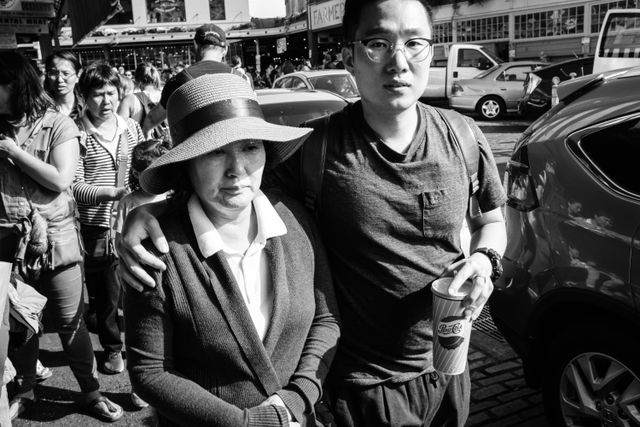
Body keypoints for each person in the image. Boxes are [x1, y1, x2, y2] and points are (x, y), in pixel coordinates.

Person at [118, 0, 507, 425]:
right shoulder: (313, 151)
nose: (399, 61)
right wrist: (149, 217)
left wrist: (486, 261)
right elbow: (228, 188)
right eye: (378, 43)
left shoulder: (464, 134)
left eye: (415, 43)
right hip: (366, 386)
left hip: (450, 361)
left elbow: (491, 220)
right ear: (349, 57)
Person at [124, 72, 340, 426]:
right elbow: (150, 371)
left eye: (250, 147)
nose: (236, 170)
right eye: (215, 152)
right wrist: (245, 423)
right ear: (185, 164)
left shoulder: (294, 221)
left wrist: (297, 398)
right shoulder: (156, 249)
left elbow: (326, 318)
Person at [0, 51, 123, 423]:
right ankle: (25, 386)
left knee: (71, 322)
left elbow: (60, 179)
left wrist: (12, 152)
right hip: (6, 242)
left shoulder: (57, 125)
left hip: (55, 239)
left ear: (15, 86)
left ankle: (90, 391)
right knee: (19, 324)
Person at [72, 63, 144, 380]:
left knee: (139, 290)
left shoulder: (131, 128)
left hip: (132, 221)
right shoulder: (75, 134)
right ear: (84, 98)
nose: (106, 101)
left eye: (111, 93)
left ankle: (143, 350)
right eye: (98, 94)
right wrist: (108, 193)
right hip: (96, 228)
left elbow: (145, 163)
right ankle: (113, 348)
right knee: (106, 296)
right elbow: (73, 186)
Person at [142, 23, 234, 138]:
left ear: (195, 45)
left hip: (198, 149)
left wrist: (146, 135)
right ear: (225, 49)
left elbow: (152, 119)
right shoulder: (239, 77)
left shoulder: (178, 81)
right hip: (235, 147)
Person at [116, 62, 163, 131]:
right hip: (168, 139)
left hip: (142, 140)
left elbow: (119, 129)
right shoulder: (166, 95)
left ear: (137, 80)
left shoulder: (130, 99)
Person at [43, 51, 84, 120]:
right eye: (53, 73)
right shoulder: (41, 111)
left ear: (78, 75)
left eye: (66, 73)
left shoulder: (88, 108)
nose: (60, 80)